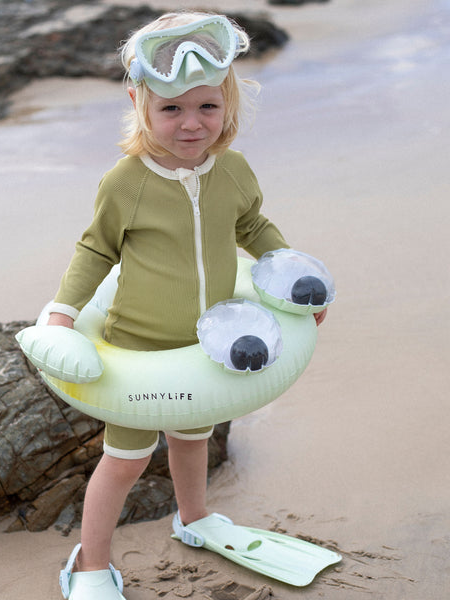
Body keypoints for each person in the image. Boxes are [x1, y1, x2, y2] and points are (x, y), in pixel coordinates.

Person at [47, 11, 328, 599]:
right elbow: (95, 249)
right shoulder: (127, 181)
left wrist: (293, 281)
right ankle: (90, 563)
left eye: (207, 106)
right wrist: (63, 313)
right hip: (138, 349)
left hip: (206, 342)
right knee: (125, 461)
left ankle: (194, 518)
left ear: (228, 103)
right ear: (139, 103)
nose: (192, 122)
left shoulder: (233, 171)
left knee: (193, 440)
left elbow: (254, 226)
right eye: (171, 108)